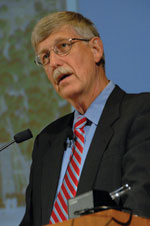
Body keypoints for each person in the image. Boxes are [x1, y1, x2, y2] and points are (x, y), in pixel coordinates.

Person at [19, 11, 150, 226]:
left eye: (63, 46)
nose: (53, 62)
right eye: (45, 57)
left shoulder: (141, 112)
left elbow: (140, 206)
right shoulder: (47, 141)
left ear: (95, 49)